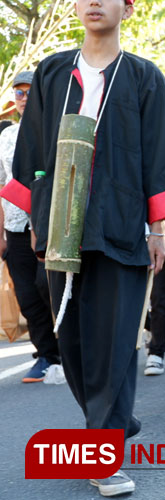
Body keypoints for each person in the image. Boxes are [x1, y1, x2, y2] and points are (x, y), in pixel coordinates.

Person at [0, 0, 165, 495]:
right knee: (74, 342)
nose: (94, 3)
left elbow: (155, 158)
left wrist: (158, 229)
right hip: (60, 226)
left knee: (115, 340)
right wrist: (39, 219)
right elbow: (33, 151)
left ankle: (102, 451)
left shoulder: (145, 76)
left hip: (121, 226)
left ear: (127, 8)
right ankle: (114, 423)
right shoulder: (51, 70)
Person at [0, 71, 61, 383]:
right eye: (18, 93)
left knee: (47, 286)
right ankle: (46, 355)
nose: (23, 98)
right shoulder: (6, 136)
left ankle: (69, 349)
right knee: (26, 295)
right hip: (15, 226)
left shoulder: (53, 129)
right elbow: (1, 184)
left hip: (48, 224)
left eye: (29, 92)